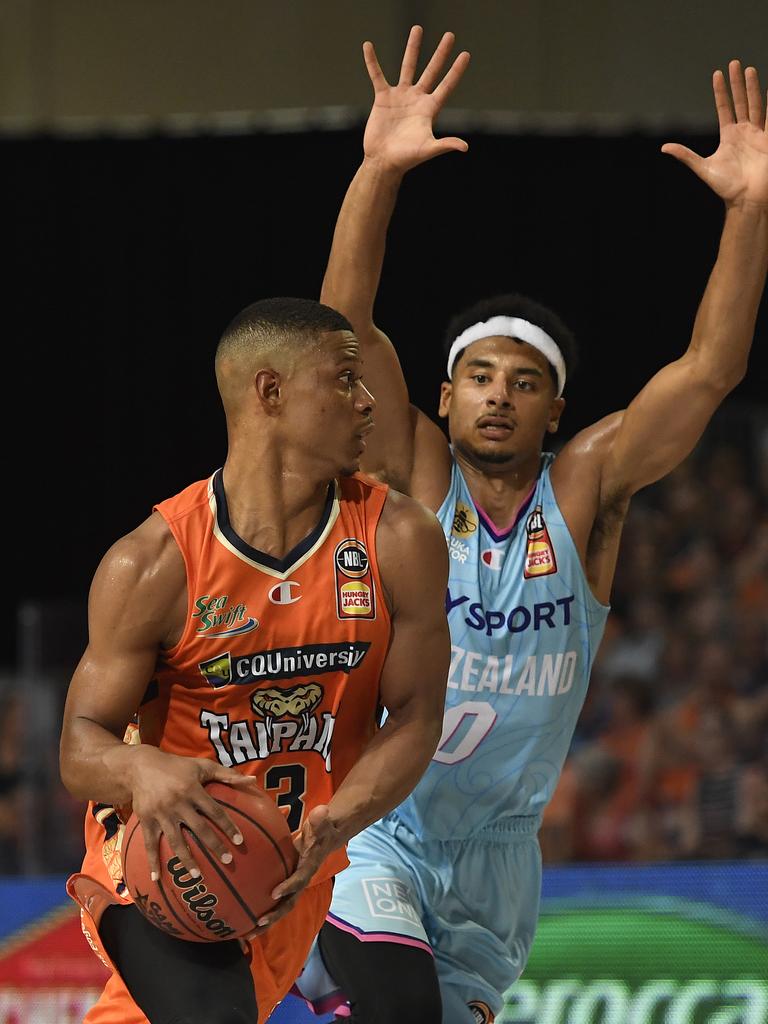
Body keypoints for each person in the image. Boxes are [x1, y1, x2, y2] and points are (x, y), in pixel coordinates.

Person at [292, 26, 768, 1024]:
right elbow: (341, 330)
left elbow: (709, 372)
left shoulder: (588, 489)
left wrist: (751, 212)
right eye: (479, 378)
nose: (498, 398)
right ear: (446, 396)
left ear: (555, 410)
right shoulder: (417, 474)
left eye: (525, 382)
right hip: (381, 820)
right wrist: (377, 172)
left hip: (502, 858)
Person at [59, 296, 451, 1024]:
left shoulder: (398, 538)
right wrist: (140, 768)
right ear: (269, 392)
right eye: (343, 380)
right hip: (164, 851)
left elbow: (419, 715)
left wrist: (342, 818)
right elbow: (80, 745)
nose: (367, 402)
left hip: (295, 860)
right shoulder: (153, 563)